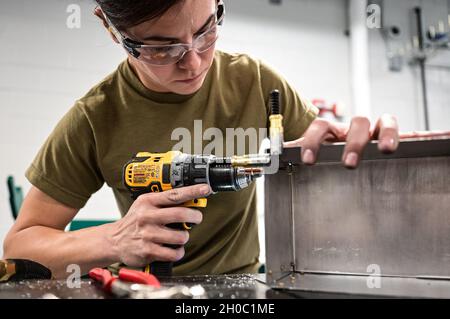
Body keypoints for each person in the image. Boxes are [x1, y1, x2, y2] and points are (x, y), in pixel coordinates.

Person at [3, 0, 399, 279]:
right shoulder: (95, 116)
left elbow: (329, 171)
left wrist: (370, 158)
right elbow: (20, 247)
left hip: (240, 291)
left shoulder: (257, 84)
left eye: (206, 30)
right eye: (162, 48)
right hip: (143, 289)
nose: (193, 62)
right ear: (111, 28)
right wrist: (115, 238)